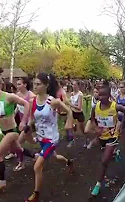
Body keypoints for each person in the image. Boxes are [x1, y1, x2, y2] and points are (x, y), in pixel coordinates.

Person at [24, 73, 74, 202]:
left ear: (46, 85)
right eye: (34, 84)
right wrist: (27, 127)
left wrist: (69, 125)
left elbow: (69, 111)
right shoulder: (33, 101)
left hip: (52, 139)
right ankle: (69, 162)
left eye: (38, 84)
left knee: (37, 166)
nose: (35, 86)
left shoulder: (53, 101)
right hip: (41, 138)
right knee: (55, 157)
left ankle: (36, 195)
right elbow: (31, 119)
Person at [0, 76, 31, 191]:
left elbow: (26, 104)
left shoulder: (9, 97)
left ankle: (2, 181)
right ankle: (36, 156)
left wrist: (23, 121)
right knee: (18, 149)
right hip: (4, 130)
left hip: (12, 131)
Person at [89, 83, 125, 196]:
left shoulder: (115, 106)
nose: (100, 98)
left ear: (109, 95)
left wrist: (121, 124)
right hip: (102, 137)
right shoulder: (95, 107)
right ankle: (115, 153)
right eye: (99, 95)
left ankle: (97, 184)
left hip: (113, 136)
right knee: (106, 155)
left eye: (103, 95)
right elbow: (92, 120)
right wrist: (96, 128)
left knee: (104, 161)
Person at [13, 77, 36, 171]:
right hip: (22, 123)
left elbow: (32, 113)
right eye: (17, 84)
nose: (17, 86)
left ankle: (22, 163)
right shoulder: (18, 95)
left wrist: (28, 124)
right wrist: (12, 117)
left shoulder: (31, 96)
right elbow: (18, 108)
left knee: (18, 143)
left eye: (19, 84)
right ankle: (37, 154)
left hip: (29, 123)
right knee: (31, 141)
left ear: (25, 85)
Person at [67, 80, 86, 147]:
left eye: (75, 85)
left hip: (79, 113)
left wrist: (70, 104)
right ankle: (73, 141)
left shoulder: (80, 95)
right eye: (72, 84)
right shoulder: (72, 93)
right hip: (72, 112)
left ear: (78, 86)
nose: (73, 86)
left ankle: (86, 140)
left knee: (82, 129)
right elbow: (69, 102)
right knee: (71, 127)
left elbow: (79, 107)